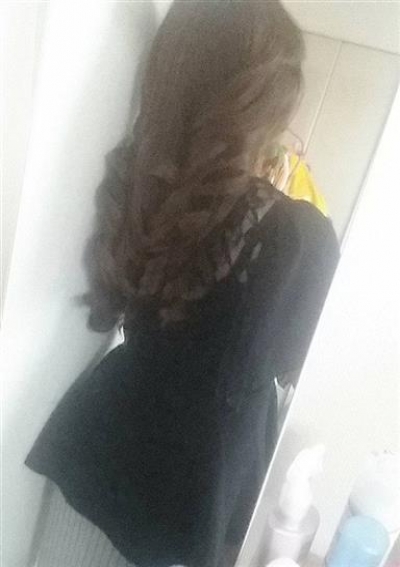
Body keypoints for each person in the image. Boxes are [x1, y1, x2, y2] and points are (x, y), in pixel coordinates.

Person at [26, 2, 339, 566]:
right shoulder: (296, 235)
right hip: (193, 491)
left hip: (97, 448)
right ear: (269, 105)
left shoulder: (134, 182)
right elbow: (294, 365)